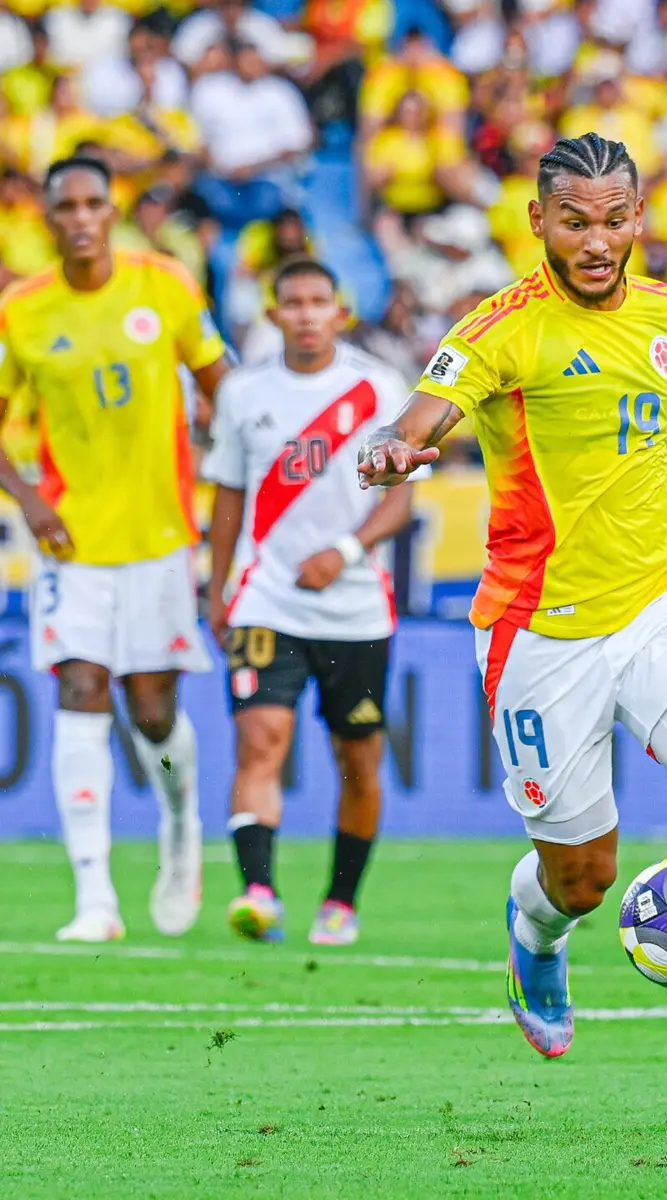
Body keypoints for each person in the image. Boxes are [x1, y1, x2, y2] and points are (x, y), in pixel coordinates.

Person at [358, 132, 667, 1119]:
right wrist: (398, 452)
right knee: (582, 876)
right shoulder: (501, 329)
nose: (598, 239)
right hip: (540, 633)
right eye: (576, 221)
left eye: (616, 218)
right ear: (539, 223)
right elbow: (425, 414)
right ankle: (537, 935)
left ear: (640, 217)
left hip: (658, 600)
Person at [0, 155, 231, 942]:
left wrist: (227, 457)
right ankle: (94, 897)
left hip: (162, 537)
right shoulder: (21, 311)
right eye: (66, 205)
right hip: (72, 542)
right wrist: (28, 501)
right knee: (80, 689)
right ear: (48, 218)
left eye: (95, 202)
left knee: (153, 710)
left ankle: (179, 824)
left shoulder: (164, 283)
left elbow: (220, 381)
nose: (82, 217)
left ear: (112, 209)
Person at [204, 257, 422, 946]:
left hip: (356, 606)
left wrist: (346, 553)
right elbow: (229, 498)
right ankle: (259, 893)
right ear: (272, 314)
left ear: (340, 312)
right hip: (266, 598)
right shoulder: (244, 391)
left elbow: (400, 501)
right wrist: (218, 590)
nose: (304, 314)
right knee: (259, 741)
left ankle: (340, 900)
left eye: (316, 301)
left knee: (357, 758)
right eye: (290, 302)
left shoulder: (377, 386)